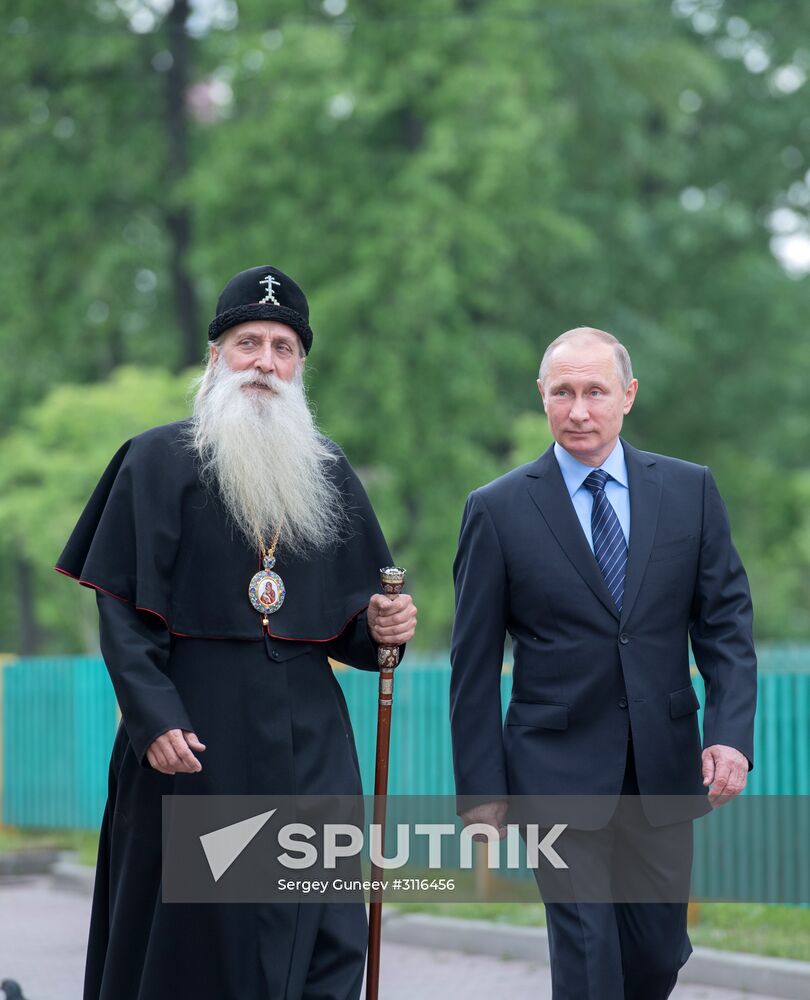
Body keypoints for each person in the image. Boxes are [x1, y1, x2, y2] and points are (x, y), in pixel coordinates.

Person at [56, 265, 417, 1000]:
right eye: (248, 343)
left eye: (283, 348)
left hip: (311, 744)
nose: (266, 362)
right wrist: (155, 720)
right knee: (197, 947)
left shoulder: (327, 470)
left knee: (324, 932)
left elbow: (354, 631)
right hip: (194, 740)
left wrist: (386, 628)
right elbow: (122, 613)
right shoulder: (155, 460)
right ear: (216, 357)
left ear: (300, 367)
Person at [449, 327, 756, 1000]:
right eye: (563, 392)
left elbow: (726, 625)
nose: (579, 410)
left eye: (595, 392)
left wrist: (729, 733)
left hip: (663, 770)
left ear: (629, 395)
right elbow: (471, 662)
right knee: (588, 956)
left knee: (655, 957)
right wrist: (480, 785)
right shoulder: (497, 510)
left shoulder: (689, 492)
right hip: (553, 772)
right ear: (542, 396)